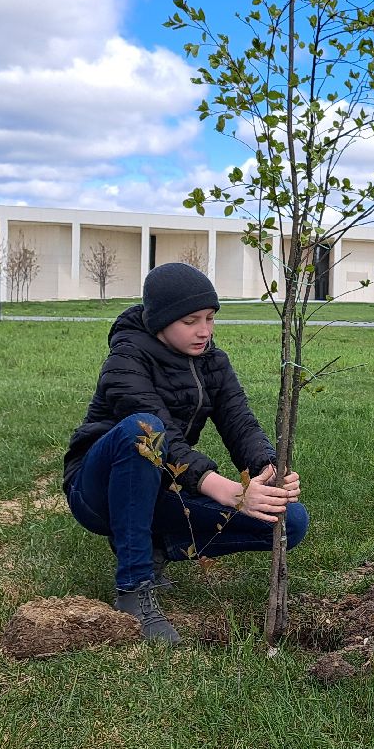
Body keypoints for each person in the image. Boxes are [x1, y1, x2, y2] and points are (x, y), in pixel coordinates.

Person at [63, 263, 307, 642]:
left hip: (163, 487)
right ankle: (134, 589)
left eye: (210, 318)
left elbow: (240, 423)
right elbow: (162, 440)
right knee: (142, 429)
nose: (204, 330)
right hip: (98, 492)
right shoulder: (125, 360)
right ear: (160, 320)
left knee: (290, 521)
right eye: (191, 320)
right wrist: (228, 490)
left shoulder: (213, 362)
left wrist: (268, 470)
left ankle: (158, 543)